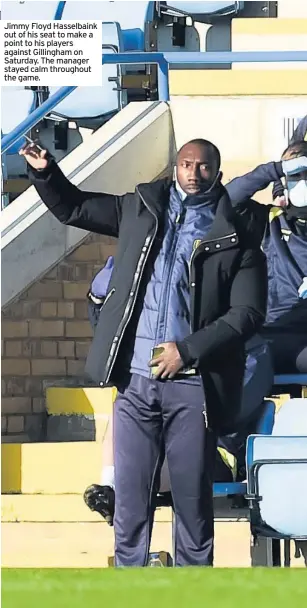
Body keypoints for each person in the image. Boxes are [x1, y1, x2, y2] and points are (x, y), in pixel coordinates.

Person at [22, 138, 267, 567]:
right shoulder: (140, 208)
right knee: (130, 501)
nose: (194, 173)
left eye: (204, 166)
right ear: (175, 167)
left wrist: (187, 351)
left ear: (218, 172)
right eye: (187, 164)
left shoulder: (237, 234)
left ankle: (193, 587)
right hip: (136, 383)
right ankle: (130, 579)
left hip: (194, 387)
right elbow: (74, 208)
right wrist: (45, 172)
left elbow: (247, 313)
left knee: (192, 502)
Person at [84, 256, 273, 525]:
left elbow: (220, 409)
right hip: (162, 445)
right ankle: (110, 487)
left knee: (164, 438)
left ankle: (118, 492)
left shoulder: (251, 352)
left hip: (213, 452)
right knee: (126, 404)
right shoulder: (164, 338)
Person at [226, 140, 307, 375]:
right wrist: (275, 169)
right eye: (295, 175)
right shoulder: (267, 220)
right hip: (269, 334)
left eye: (306, 174)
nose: (302, 182)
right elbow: (227, 199)